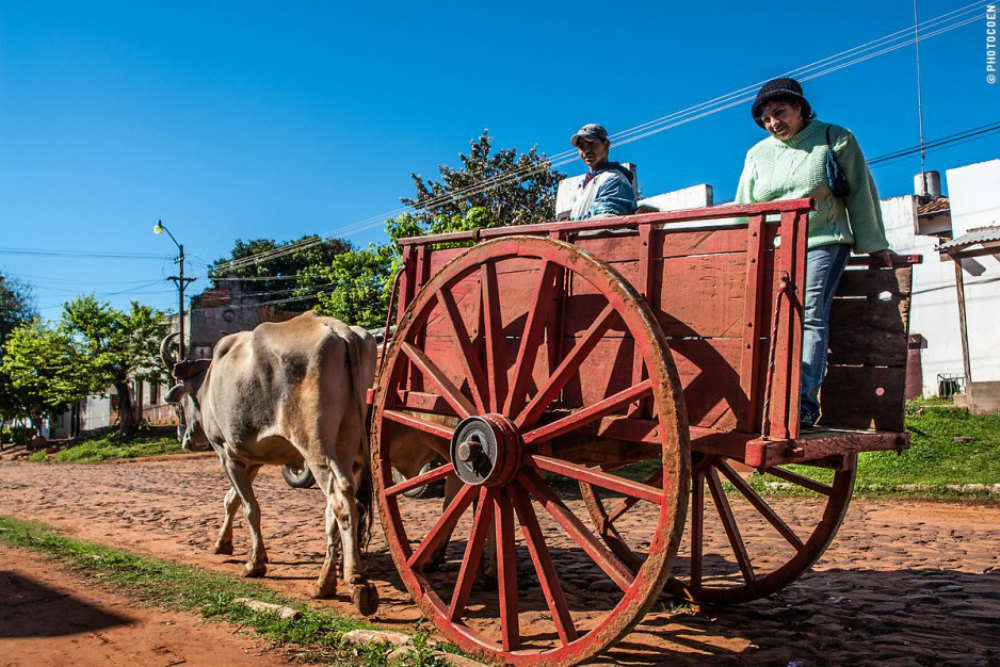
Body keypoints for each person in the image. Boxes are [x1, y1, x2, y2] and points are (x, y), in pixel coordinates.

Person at [734, 78, 892, 428]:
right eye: (765, 119)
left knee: (809, 317)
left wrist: (875, 245)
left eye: (780, 113)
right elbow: (745, 206)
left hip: (822, 240)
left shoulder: (834, 139)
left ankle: (802, 405)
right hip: (774, 247)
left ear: (800, 108)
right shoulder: (757, 155)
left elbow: (860, 194)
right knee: (763, 320)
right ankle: (764, 400)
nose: (773, 123)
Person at [568, 123, 638, 220]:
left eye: (591, 143)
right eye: (581, 146)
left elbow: (605, 218)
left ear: (606, 145)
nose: (586, 150)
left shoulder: (614, 178)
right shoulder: (583, 185)